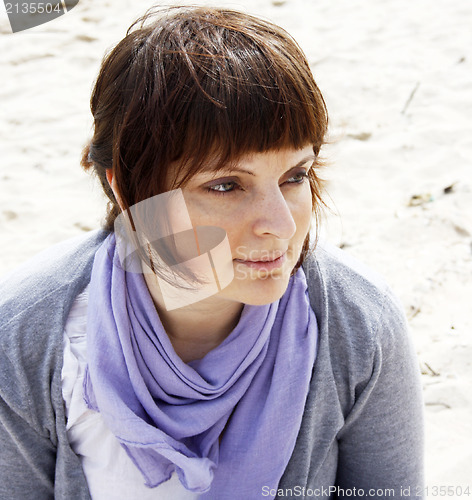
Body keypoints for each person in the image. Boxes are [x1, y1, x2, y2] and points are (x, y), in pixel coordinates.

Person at [0, 5, 424, 499]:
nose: (280, 226)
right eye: (225, 185)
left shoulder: (357, 323)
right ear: (126, 190)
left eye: (295, 177)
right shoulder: (25, 337)